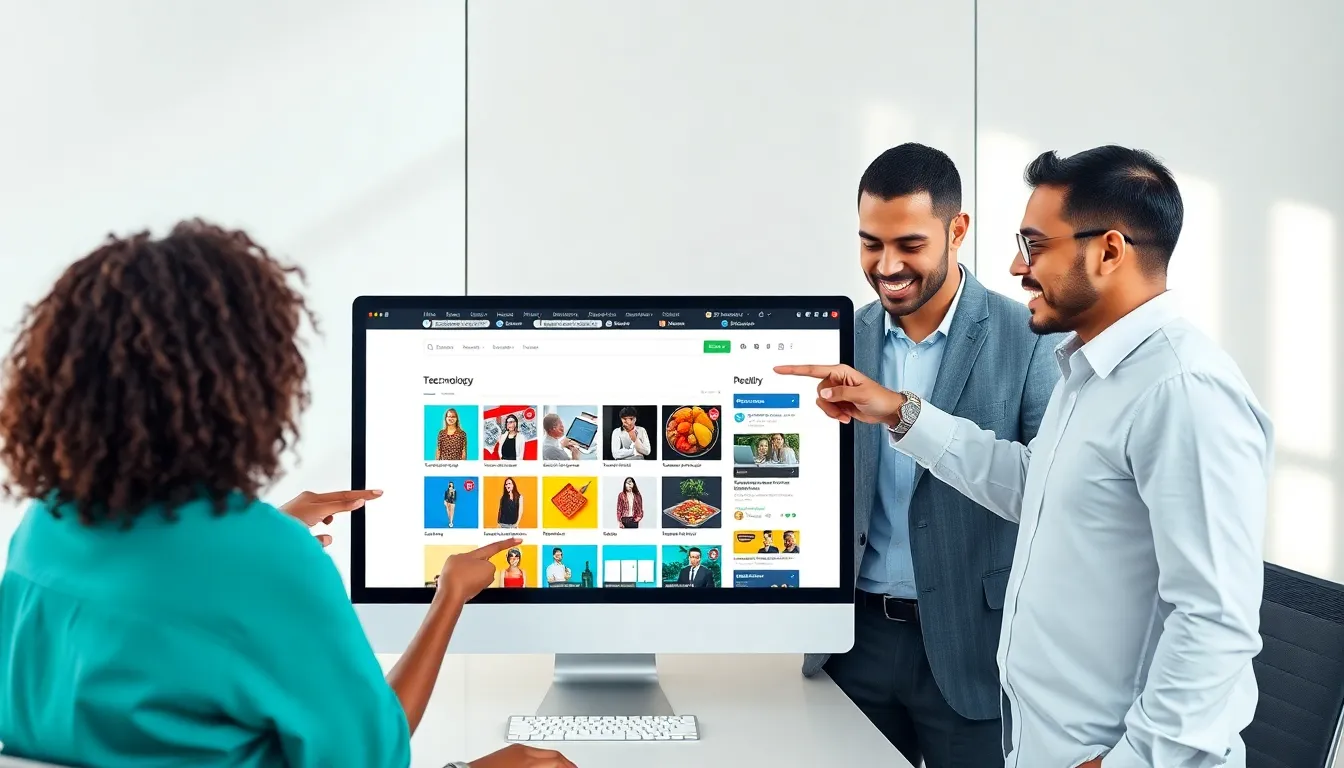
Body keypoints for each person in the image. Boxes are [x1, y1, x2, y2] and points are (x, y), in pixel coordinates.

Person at [0, 221, 574, 768]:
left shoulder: (43, 529)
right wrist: (450, 595)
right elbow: (373, 758)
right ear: (250, 381)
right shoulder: (269, 562)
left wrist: (254, 545)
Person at [780, 146, 1272, 768]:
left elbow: (1215, 619)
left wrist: (1134, 762)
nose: (1017, 265)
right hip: (1044, 738)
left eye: (1034, 246)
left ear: (1108, 252)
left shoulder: (1184, 390)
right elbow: (1032, 482)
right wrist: (900, 412)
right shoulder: (1090, 372)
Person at [786, 143, 1060, 768]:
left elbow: (1048, 496)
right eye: (870, 244)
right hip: (853, 646)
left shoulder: (1029, 339)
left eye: (909, 244)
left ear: (957, 230)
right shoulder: (841, 338)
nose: (887, 266)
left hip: (972, 646)